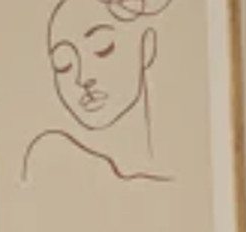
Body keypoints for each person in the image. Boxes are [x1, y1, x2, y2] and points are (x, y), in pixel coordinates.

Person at [25, 0, 175, 187]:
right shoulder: (50, 155)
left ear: (146, 47)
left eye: (102, 48)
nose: (83, 78)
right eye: (63, 65)